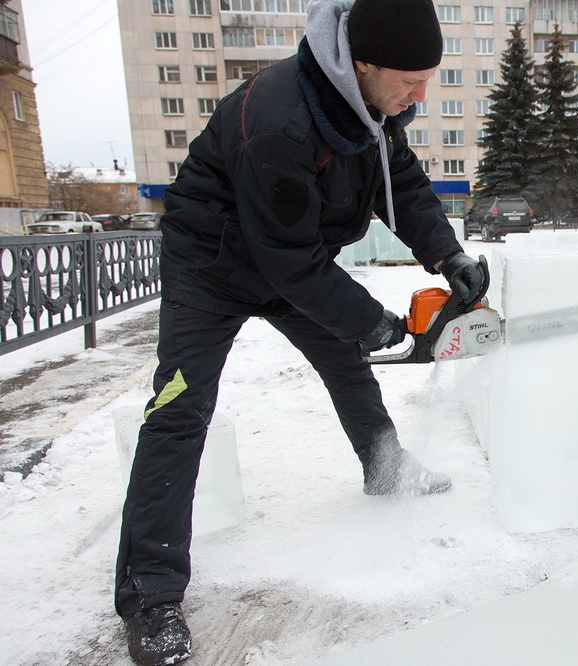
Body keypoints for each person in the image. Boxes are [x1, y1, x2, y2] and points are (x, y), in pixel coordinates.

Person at [114, 0, 485, 663]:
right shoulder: (282, 120)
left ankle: (385, 465)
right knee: (180, 407)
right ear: (364, 63)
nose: (419, 96)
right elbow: (288, 262)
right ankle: (151, 595)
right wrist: (371, 320)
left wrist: (446, 252)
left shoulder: (375, 105)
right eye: (410, 80)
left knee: (345, 360)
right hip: (212, 265)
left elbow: (397, 181)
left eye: (428, 79)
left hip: (288, 253)